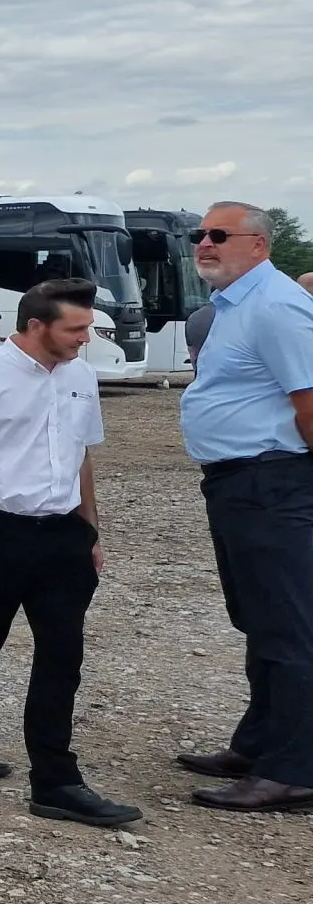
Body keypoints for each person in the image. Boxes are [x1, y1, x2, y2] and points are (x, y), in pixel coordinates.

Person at [0, 277, 140, 827]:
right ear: (36, 325)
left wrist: (91, 532)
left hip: (63, 534)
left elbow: (81, 456)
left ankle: (57, 783)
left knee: (62, 654)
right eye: (76, 328)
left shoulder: (81, 375)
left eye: (89, 326)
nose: (87, 337)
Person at [174, 203, 313, 813]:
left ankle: (295, 769)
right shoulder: (236, 305)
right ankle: (259, 744)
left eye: (219, 235)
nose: (205, 243)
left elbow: (309, 402)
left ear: (258, 245)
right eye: (200, 234)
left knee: (290, 627)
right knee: (258, 618)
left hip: (274, 483)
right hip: (239, 484)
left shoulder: (279, 307)